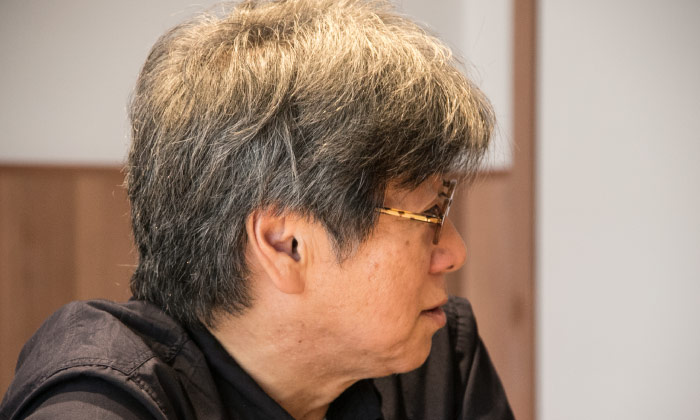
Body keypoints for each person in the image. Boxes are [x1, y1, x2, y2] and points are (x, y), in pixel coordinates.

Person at [0, 0, 515, 419]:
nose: (454, 252)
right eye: (430, 214)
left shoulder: (437, 360)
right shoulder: (103, 400)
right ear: (285, 245)